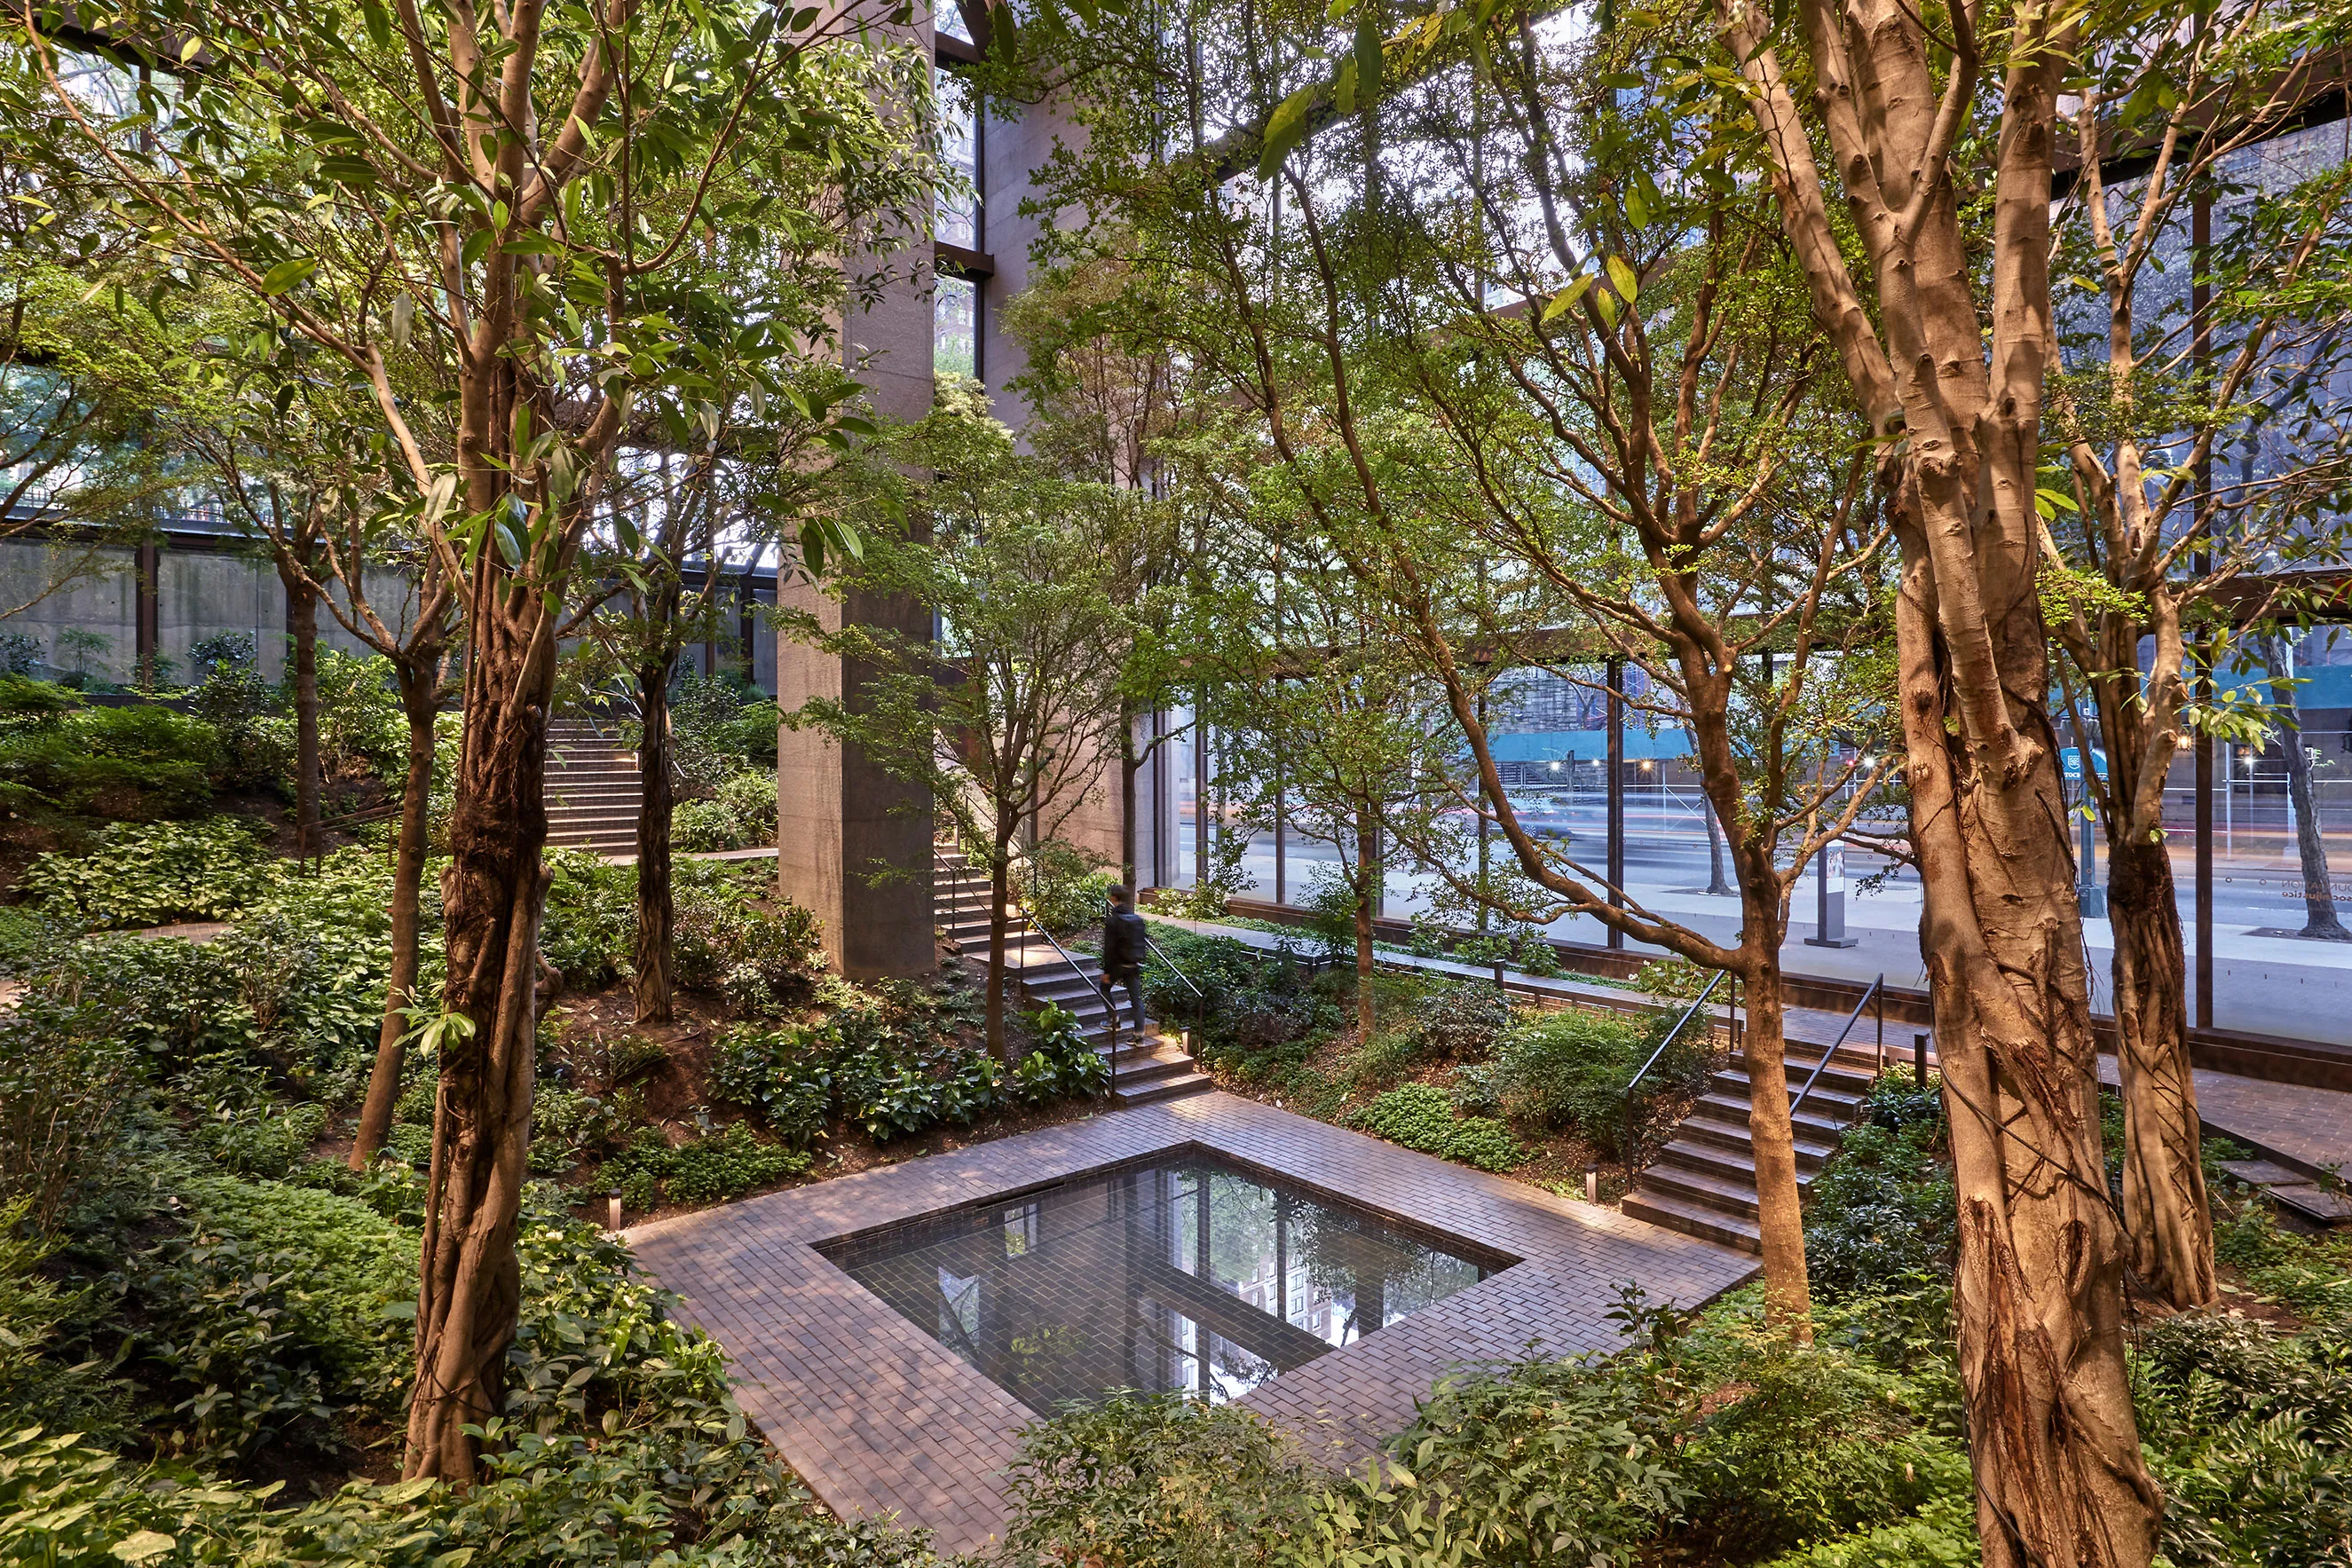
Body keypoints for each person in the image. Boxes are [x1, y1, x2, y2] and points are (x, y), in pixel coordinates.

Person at [1100, 885, 1148, 1038]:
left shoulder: (1113, 921)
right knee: (1136, 1000)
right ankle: (1139, 1034)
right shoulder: (1137, 920)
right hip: (1134, 965)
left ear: (1114, 898)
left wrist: (1107, 972)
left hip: (1118, 966)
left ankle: (1114, 1020)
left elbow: (1110, 948)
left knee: (1104, 988)